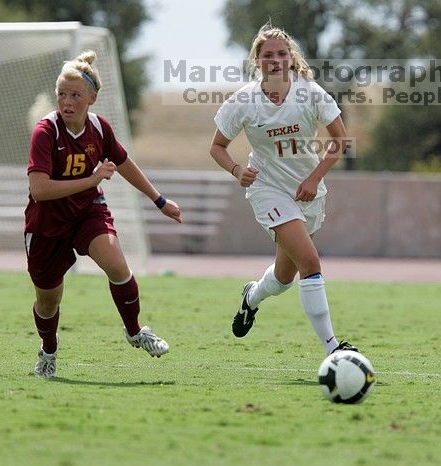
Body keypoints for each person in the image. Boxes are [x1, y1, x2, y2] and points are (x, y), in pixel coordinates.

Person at [26, 51, 182, 378]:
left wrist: (159, 199)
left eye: (75, 95)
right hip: (47, 224)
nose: (67, 101)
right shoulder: (46, 132)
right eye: (62, 95)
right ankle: (49, 350)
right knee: (48, 301)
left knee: (117, 266)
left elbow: (124, 163)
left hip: (88, 213)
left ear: (92, 98)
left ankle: (135, 330)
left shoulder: (99, 128)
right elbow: (39, 190)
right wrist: (93, 178)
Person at [209, 23, 357, 355]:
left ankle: (252, 297)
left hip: (307, 192)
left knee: (283, 277)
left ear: (291, 58)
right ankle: (333, 348)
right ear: (256, 61)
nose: (275, 60)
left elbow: (340, 141)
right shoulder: (244, 101)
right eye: (267, 55)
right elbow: (217, 146)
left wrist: (314, 178)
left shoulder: (310, 92)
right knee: (311, 261)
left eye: (281, 53)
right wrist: (236, 170)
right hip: (268, 190)